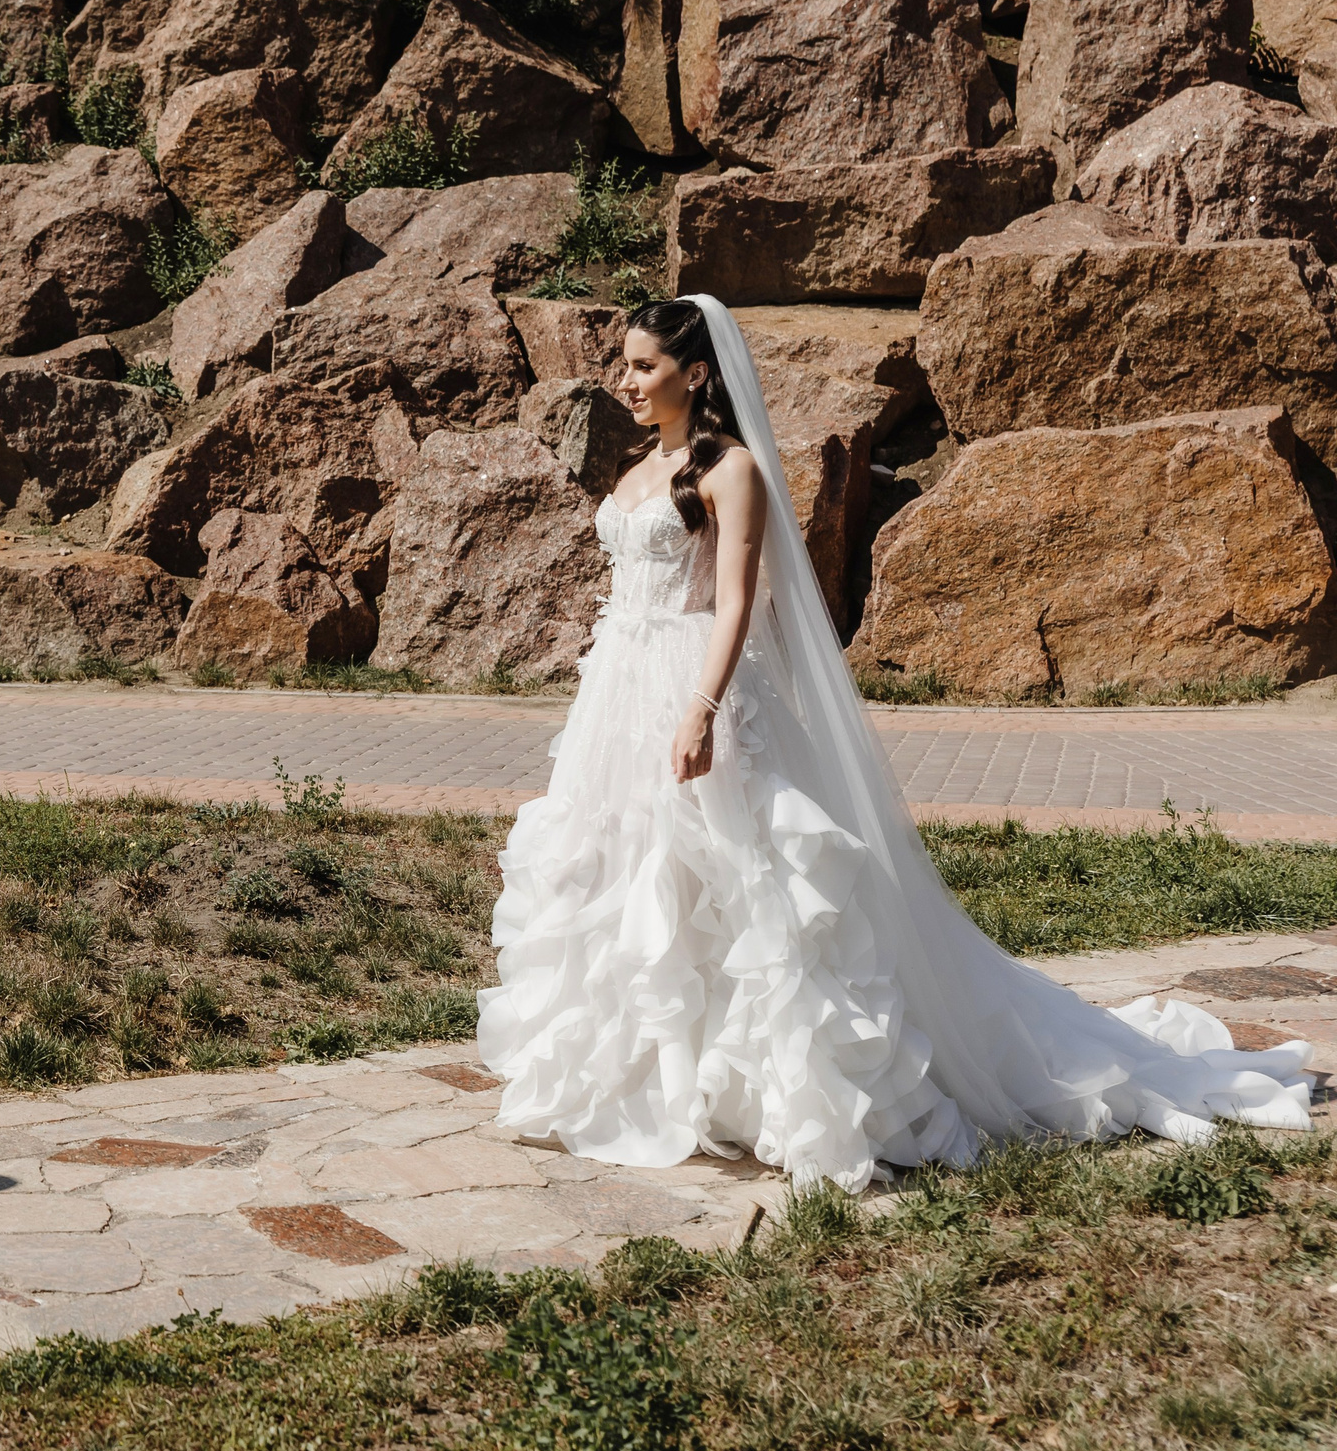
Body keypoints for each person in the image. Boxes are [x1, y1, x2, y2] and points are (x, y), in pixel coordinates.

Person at [477, 295, 1313, 1192]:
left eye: (645, 366)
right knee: (627, 877)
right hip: (619, 692)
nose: (628, 380)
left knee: (752, 884)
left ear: (697, 372)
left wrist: (701, 709)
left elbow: (734, 606)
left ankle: (772, 1090)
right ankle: (647, 1076)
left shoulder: (732, 469)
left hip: (693, 685)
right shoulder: (642, 467)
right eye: (627, 363)